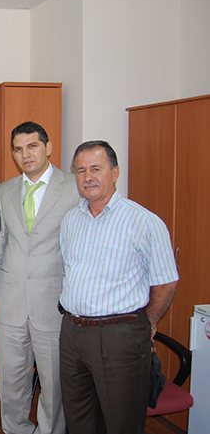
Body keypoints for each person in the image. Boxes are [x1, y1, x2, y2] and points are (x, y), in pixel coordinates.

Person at [59, 140, 179, 434]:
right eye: (81, 170)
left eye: (96, 169)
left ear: (115, 173)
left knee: (121, 423)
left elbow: (166, 281)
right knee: (78, 419)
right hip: (73, 333)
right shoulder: (71, 220)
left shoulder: (143, 221)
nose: (88, 177)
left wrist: (147, 322)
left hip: (119, 336)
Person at [0, 122, 79, 434]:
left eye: (32, 146)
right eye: (18, 149)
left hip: (53, 302)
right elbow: (0, 245)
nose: (25, 154)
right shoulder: (4, 190)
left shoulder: (74, 187)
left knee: (53, 382)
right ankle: (16, 429)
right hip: (10, 299)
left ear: (48, 148)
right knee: (12, 379)